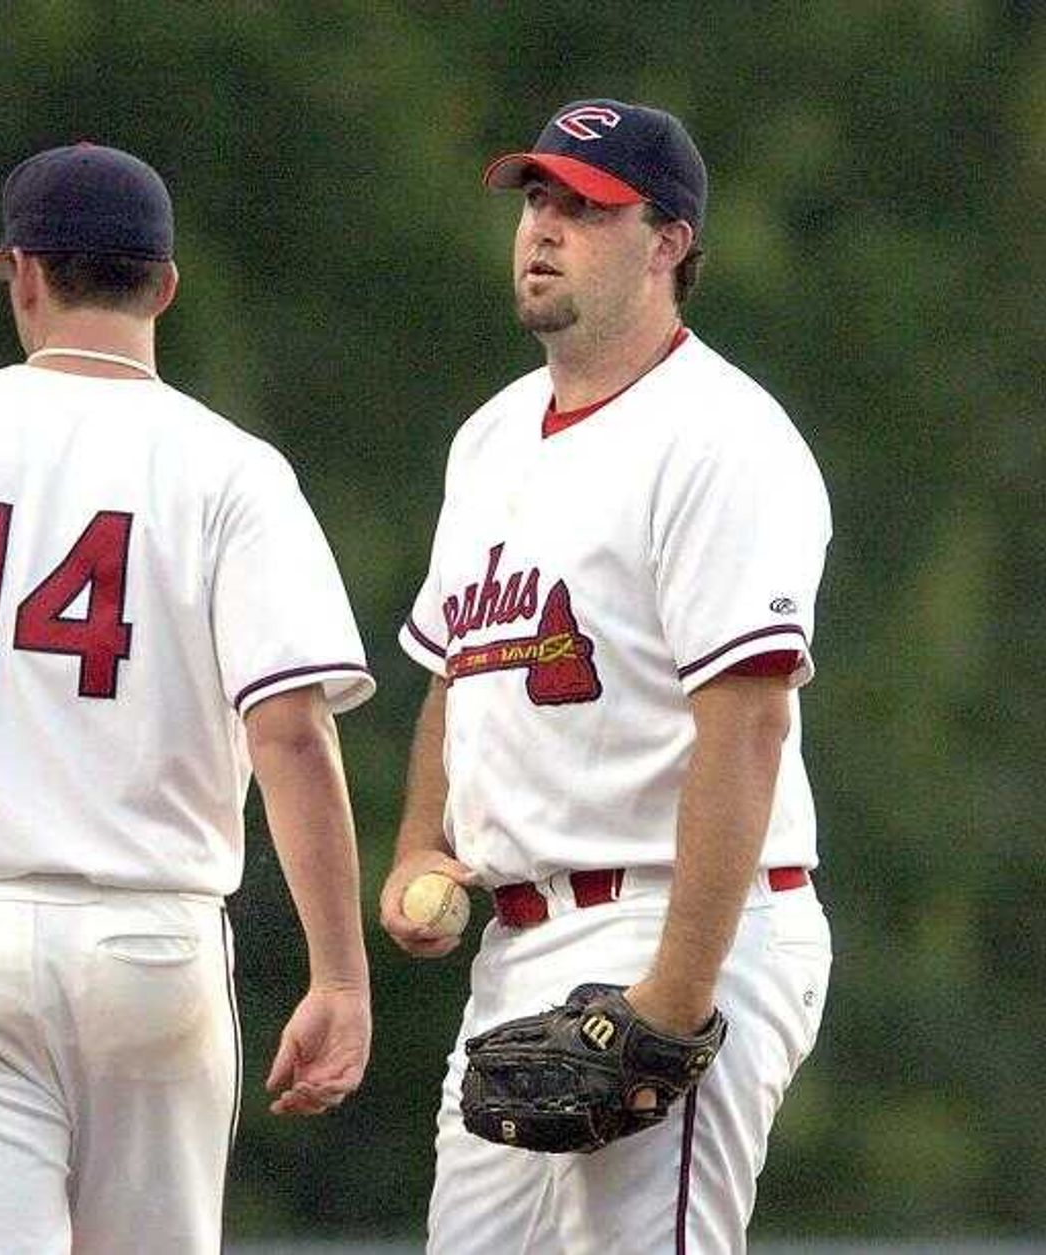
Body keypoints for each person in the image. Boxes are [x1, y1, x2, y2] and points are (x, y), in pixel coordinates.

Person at [0, 142, 376, 1254]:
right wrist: (337, 975)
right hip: (150, 942)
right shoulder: (229, 467)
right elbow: (290, 737)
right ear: (162, 283)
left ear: (22, 275)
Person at [381, 99, 833, 1253]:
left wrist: (672, 1005)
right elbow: (454, 675)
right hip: (516, 949)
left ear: (669, 241)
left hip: (675, 924)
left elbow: (745, 728)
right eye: (535, 198)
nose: (542, 228)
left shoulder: (720, 436)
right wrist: (419, 842)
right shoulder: (486, 439)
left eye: (584, 207)